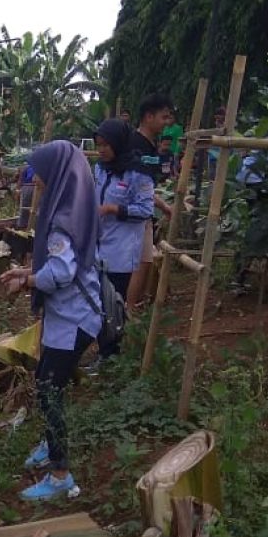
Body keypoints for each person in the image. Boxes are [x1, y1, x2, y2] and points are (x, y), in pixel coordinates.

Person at [0, 141, 101, 502]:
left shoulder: (60, 220)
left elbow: (60, 272)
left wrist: (27, 281)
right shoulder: (75, 208)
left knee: (49, 387)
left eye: (38, 171)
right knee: (47, 378)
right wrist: (27, 271)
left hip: (72, 319)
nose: (35, 178)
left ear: (56, 173)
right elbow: (63, 263)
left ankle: (60, 474)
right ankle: (50, 441)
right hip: (75, 315)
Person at [92, 119, 155, 365]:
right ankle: (105, 352)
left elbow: (146, 210)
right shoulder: (100, 169)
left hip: (121, 250)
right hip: (98, 245)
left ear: (118, 143)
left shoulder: (138, 173)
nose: (101, 150)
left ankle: (111, 356)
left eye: (105, 145)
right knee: (98, 302)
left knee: (113, 306)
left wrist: (112, 209)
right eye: (98, 145)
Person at [126, 93, 175, 309]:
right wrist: (163, 205)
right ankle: (126, 310)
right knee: (139, 262)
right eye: (164, 117)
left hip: (141, 211)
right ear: (148, 117)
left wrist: (162, 206)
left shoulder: (149, 145)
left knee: (143, 261)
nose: (167, 122)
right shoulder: (136, 145)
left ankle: (128, 309)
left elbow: (145, 185)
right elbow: (137, 185)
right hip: (134, 212)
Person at [16, 160, 37, 229]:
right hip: (29, 186)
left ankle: (26, 225)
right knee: (26, 208)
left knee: (29, 208)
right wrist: (18, 190)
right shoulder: (27, 168)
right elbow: (20, 179)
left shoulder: (28, 167)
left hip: (32, 187)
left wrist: (18, 189)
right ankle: (24, 226)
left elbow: (20, 179)